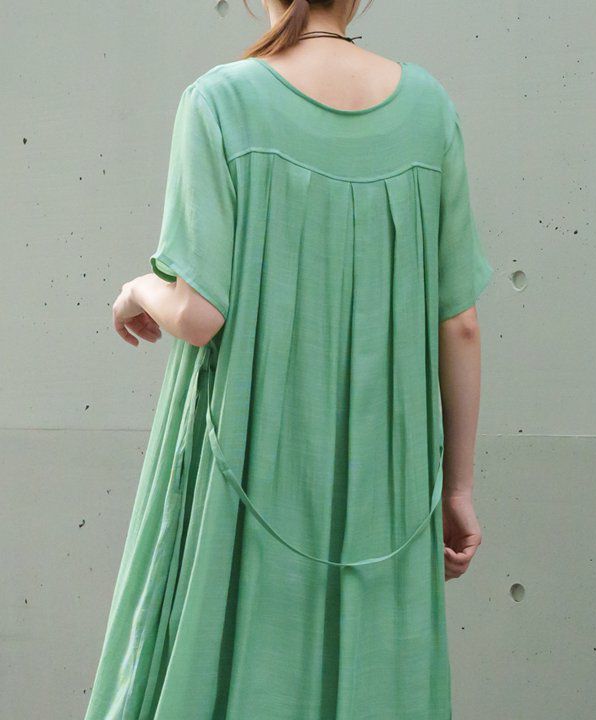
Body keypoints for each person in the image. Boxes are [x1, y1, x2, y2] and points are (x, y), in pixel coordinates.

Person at [86, 0, 493, 718]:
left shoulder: (220, 100)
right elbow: (459, 324)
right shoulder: (429, 110)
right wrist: (457, 490)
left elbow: (198, 315)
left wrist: (138, 290)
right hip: (385, 482)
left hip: (245, 462)